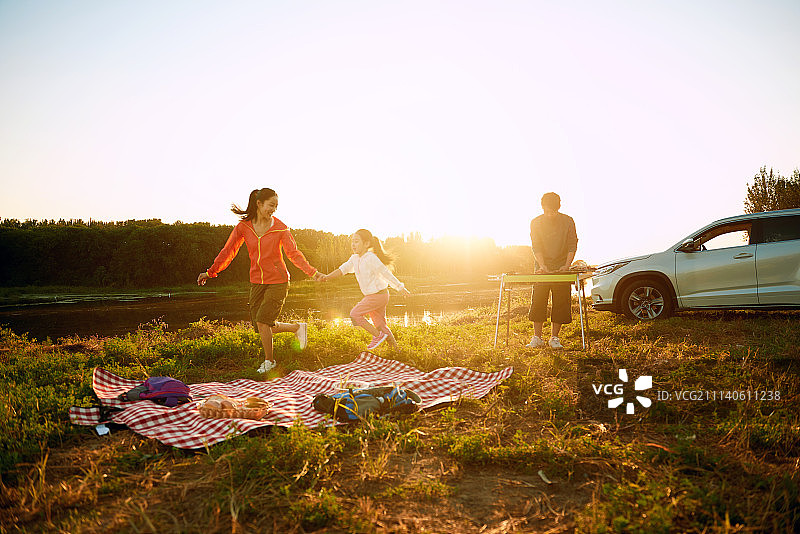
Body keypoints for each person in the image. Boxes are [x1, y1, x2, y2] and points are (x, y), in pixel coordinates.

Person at [197, 188, 322, 373]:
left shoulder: (281, 228)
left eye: (276, 206)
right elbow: (228, 251)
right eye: (271, 205)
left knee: (263, 321)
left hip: (278, 281)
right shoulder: (244, 227)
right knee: (260, 325)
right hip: (257, 281)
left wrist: (312, 272)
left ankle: (270, 361)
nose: (274, 209)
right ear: (259, 203)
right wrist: (211, 272)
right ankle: (297, 327)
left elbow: (293, 254)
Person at [319, 229, 411, 350]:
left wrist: (400, 287)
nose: (353, 244)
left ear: (366, 244)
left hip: (378, 296)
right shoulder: (354, 258)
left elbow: (385, 273)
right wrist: (327, 277)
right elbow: (343, 269)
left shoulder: (371, 258)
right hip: (374, 296)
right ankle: (396, 351)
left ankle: (378, 336)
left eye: (356, 241)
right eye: (352, 241)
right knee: (381, 325)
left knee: (355, 314)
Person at [527, 192, 578, 349]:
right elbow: (536, 245)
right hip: (542, 266)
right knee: (538, 299)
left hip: (562, 266)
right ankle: (537, 338)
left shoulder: (568, 221)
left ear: (559, 208)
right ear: (542, 208)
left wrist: (567, 265)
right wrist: (542, 265)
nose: (550, 215)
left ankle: (554, 338)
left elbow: (572, 244)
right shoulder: (535, 222)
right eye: (547, 211)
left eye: (553, 211)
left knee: (561, 300)